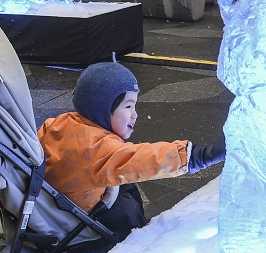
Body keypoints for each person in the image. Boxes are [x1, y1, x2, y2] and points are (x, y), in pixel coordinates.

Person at [38, 62, 225, 243]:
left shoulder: (57, 123)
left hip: (55, 209)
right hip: (81, 224)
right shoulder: (96, 151)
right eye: (128, 106)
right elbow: (144, 159)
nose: (135, 114)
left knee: (122, 185)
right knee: (126, 202)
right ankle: (132, 241)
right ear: (101, 108)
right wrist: (200, 156)